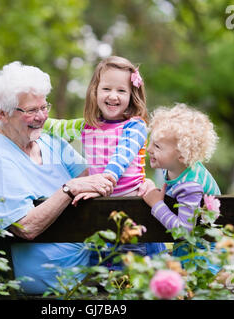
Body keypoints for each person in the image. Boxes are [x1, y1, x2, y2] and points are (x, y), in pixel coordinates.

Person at [0, 61, 116, 294]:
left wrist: (134, 181)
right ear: (1, 113)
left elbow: (93, 178)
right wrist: (68, 189)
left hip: (93, 270)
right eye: (30, 110)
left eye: (43, 107)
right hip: (53, 285)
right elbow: (25, 226)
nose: (41, 117)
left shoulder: (48, 140)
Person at [44, 56, 166, 266]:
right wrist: (33, 118)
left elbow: (120, 159)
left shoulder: (134, 127)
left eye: (121, 91)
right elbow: (57, 127)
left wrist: (103, 182)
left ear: (131, 95)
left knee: (135, 278)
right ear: (95, 92)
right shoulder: (87, 126)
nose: (113, 96)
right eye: (106, 89)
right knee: (103, 275)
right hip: (100, 217)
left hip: (132, 215)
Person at [139, 103, 221, 274]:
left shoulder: (190, 185)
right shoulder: (175, 168)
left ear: (182, 155)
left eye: (157, 146)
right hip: (191, 251)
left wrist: (156, 205)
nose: (149, 149)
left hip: (202, 260)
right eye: (151, 143)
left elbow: (184, 232)